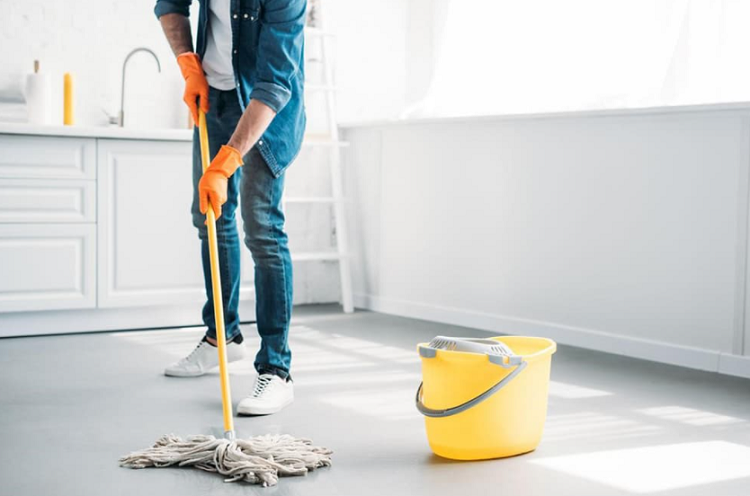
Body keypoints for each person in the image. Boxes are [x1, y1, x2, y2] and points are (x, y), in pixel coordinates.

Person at [154, 0, 306, 415]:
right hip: (216, 98)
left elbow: (276, 83)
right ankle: (222, 337)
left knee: (262, 227)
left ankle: (277, 370)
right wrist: (189, 63)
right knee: (210, 218)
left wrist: (228, 160)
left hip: (265, 110)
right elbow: (169, 4)